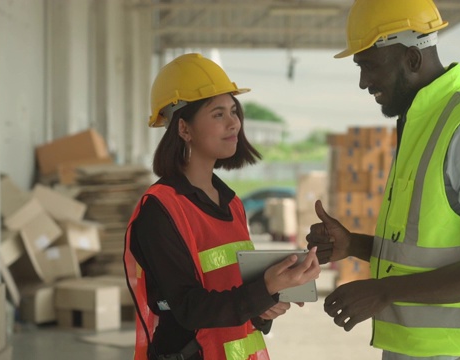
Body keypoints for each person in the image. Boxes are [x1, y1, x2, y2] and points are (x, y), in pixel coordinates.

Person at [306, 1, 460, 359]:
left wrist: (384, 291)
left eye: (368, 65)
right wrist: (353, 245)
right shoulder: (422, 124)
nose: (364, 82)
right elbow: (423, 251)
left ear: (412, 59)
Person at [124, 53, 320, 360]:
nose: (234, 123)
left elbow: (233, 295)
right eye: (218, 114)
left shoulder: (231, 203)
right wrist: (262, 289)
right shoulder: (159, 209)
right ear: (183, 129)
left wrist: (263, 307)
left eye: (233, 111)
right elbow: (189, 309)